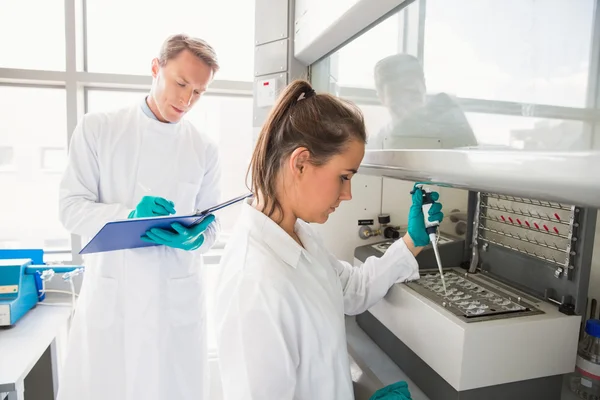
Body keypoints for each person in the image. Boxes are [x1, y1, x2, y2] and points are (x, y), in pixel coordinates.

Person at [214, 79, 443, 399]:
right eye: (344, 177)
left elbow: (351, 289)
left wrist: (412, 242)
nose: (348, 194)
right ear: (301, 163)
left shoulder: (297, 236)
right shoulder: (254, 282)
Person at [57, 34, 221, 400]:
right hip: (115, 300)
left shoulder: (204, 148)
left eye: (199, 91)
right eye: (180, 83)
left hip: (174, 302)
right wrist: (127, 215)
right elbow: (69, 208)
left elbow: (211, 225)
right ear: (155, 68)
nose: (186, 100)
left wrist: (197, 238)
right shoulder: (98, 129)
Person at [368, 53, 477, 150]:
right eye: (397, 98)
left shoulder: (449, 124)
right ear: (381, 97)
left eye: (413, 95)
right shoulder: (379, 142)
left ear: (424, 87)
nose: (407, 107)